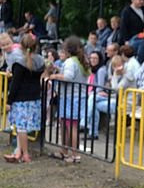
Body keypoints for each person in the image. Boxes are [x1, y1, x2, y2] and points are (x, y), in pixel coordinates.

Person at [3, 33, 44, 163]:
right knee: (25, 127)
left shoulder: (19, 64)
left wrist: (9, 101)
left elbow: (15, 85)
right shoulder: (40, 61)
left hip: (21, 99)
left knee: (21, 128)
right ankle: (18, 152)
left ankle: (25, 154)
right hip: (35, 97)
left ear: (20, 46)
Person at [49, 36, 89, 163]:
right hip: (74, 96)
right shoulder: (79, 61)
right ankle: (64, 150)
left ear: (67, 50)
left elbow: (68, 77)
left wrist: (55, 75)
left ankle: (74, 154)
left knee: (71, 126)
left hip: (72, 97)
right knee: (66, 124)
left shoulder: (71, 62)